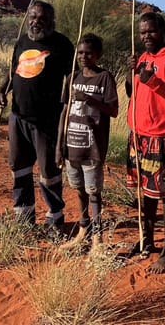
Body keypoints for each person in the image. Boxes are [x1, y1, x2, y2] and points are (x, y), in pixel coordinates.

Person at [0, 0, 74, 229]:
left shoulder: (62, 45)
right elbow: (14, 71)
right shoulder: (22, 41)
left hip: (47, 120)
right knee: (19, 166)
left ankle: (54, 217)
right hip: (18, 116)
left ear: (51, 21)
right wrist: (2, 89)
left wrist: (68, 109)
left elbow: (71, 78)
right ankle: (23, 216)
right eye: (32, 17)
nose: (36, 21)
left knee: (49, 170)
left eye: (41, 18)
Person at [125, 11, 165, 273]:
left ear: (162, 31)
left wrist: (153, 79)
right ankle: (146, 239)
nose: (146, 36)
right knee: (146, 191)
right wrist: (132, 72)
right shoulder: (143, 57)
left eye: (151, 31)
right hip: (138, 131)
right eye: (142, 32)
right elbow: (133, 91)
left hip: (160, 133)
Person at [56, 33, 119, 252]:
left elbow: (113, 110)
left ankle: (97, 239)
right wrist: (59, 147)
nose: (84, 57)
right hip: (72, 145)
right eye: (80, 52)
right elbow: (64, 112)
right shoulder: (72, 77)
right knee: (78, 190)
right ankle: (83, 230)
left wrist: (89, 99)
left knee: (94, 191)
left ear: (98, 55)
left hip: (93, 147)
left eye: (88, 53)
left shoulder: (105, 78)